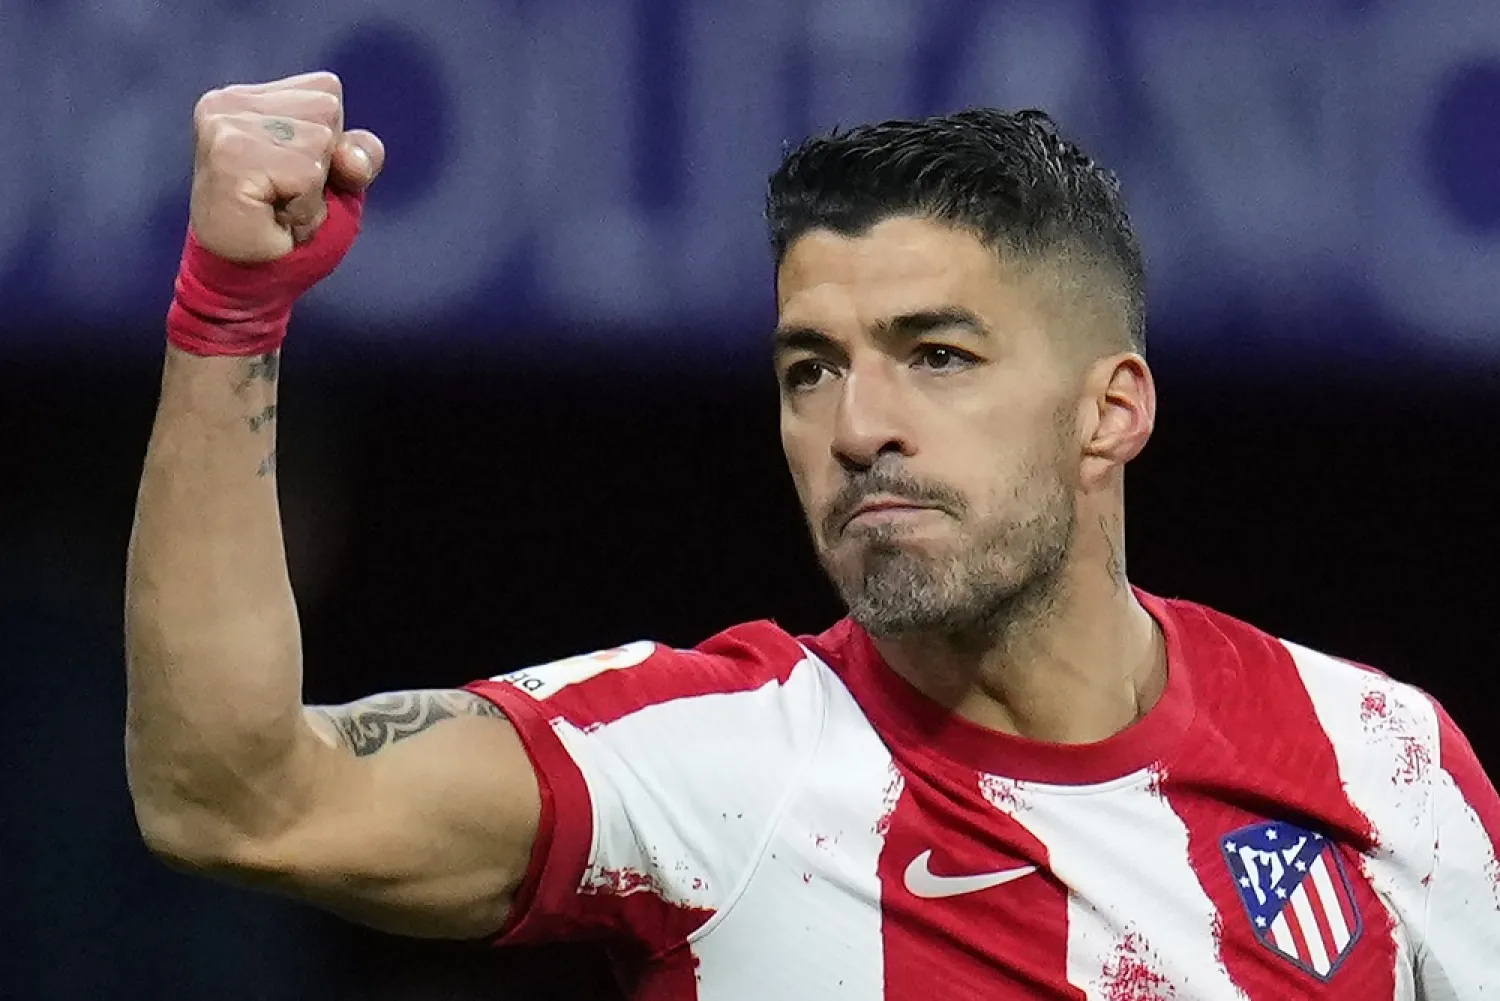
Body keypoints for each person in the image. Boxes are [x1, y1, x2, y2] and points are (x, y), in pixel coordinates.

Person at [125, 71, 1500, 1000]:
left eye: (938, 355)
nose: (857, 426)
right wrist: (231, 313)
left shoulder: (1386, 765)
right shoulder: (720, 770)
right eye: (809, 368)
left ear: (1111, 410)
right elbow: (235, 796)